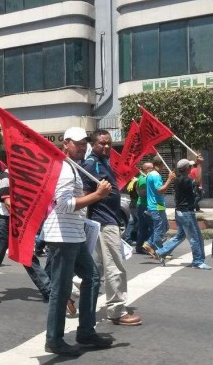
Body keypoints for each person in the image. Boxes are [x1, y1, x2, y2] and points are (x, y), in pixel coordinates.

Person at [43, 127, 114, 357]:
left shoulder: (74, 167)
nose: (82, 147)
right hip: (62, 236)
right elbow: (63, 204)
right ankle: (54, 340)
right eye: (77, 143)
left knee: (92, 277)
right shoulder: (65, 168)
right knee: (60, 289)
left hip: (74, 234)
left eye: (84, 143)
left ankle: (85, 331)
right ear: (65, 144)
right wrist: (97, 196)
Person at [82, 129, 142, 327]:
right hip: (104, 221)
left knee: (96, 268)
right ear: (94, 144)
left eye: (108, 143)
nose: (107, 146)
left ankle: (70, 295)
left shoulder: (102, 162)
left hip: (107, 220)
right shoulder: (91, 164)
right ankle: (116, 310)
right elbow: (85, 193)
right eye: (102, 143)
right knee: (115, 266)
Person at [0, 169, 51, 303]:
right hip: (5, 222)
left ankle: (48, 290)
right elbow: (8, 202)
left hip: (12, 222)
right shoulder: (5, 178)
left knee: (27, 257)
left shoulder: (13, 177)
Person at [154, 157, 212, 269]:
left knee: (181, 235)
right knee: (195, 237)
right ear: (187, 168)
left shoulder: (179, 179)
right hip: (186, 212)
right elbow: (198, 181)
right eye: (190, 166)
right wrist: (199, 165)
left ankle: (161, 251)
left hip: (181, 211)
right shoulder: (185, 180)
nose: (191, 167)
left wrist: (197, 164)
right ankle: (198, 261)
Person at [142, 156, 176, 256]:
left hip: (157, 205)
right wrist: (169, 179)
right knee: (159, 228)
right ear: (160, 164)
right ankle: (159, 250)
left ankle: (150, 243)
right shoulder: (156, 175)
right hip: (156, 206)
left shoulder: (150, 174)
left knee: (164, 227)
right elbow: (160, 190)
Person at [135, 162, 154, 253]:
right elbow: (141, 193)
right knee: (151, 226)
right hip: (144, 205)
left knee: (143, 227)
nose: (153, 170)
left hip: (144, 205)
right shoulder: (143, 180)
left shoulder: (146, 178)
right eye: (151, 168)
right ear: (146, 169)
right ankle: (149, 245)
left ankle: (140, 247)